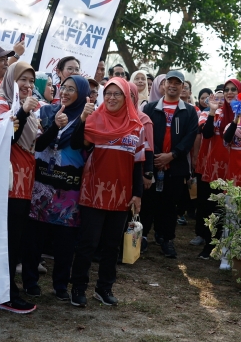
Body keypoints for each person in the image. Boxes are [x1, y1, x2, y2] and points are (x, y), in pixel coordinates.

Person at [70, 78, 147, 307]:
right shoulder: (94, 119)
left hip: (121, 196)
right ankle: (78, 288)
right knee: (88, 244)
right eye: (108, 93)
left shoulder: (136, 127)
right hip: (93, 192)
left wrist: (137, 194)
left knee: (112, 246)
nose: (111, 98)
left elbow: (137, 164)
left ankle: (104, 288)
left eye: (117, 94)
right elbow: (76, 144)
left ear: (127, 98)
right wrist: (82, 118)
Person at [22, 75, 93, 299]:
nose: (65, 92)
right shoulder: (47, 112)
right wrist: (54, 125)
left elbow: (76, 143)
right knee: (34, 238)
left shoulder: (88, 117)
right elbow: (39, 143)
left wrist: (80, 119)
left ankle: (60, 285)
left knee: (65, 241)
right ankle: (30, 281)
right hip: (42, 184)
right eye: (64, 87)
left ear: (81, 94)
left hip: (68, 190)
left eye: (72, 89)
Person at [0, 62, 40, 311]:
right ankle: (6, 293)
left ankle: (7, 290)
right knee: (7, 242)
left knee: (16, 241)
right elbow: (6, 136)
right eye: (23, 80)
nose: (28, 86)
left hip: (24, 184)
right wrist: (21, 111)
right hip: (7, 185)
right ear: (11, 79)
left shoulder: (29, 110)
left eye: (32, 81)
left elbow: (38, 145)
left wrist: (56, 126)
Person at [143, 70, 199, 258]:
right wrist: (157, 157)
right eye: (170, 82)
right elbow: (146, 135)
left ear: (183, 87)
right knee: (148, 203)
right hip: (153, 164)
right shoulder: (150, 108)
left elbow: (189, 138)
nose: (173, 86)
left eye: (178, 83)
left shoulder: (189, 111)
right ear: (163, 85)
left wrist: (172, 155)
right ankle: (142, 237)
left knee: (170, 205)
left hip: (176, 167)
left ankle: (167, 239)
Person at [194, 85, 230, 257]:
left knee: (222, 209)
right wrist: (212, 111)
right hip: (208, 168)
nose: (221, 100)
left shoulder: (235, 116)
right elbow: (207, 133)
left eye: (224, 98)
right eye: (218, 97)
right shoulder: (205, 113)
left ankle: (221, 245)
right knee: (207, 208)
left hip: (229, 169)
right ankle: (208, 245)